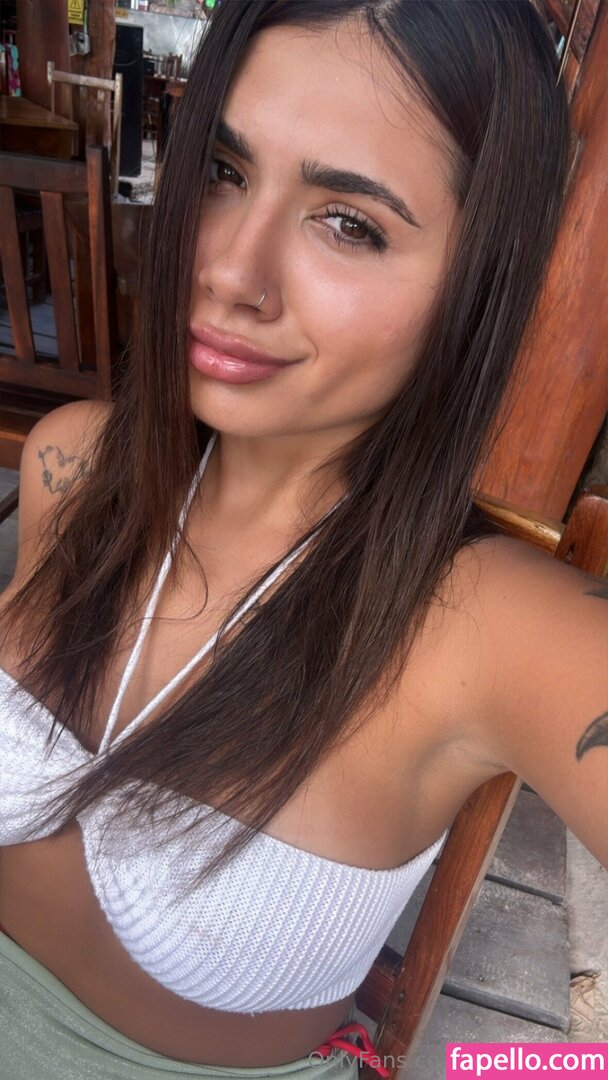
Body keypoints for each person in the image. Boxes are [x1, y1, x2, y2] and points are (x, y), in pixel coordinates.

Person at [0, 1, 606, 1077]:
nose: (229, 272)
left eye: (350, 224)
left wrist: (520, 1069)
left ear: (476, 283)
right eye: (223, 171)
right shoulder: (73, 467)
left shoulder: (492, 627)